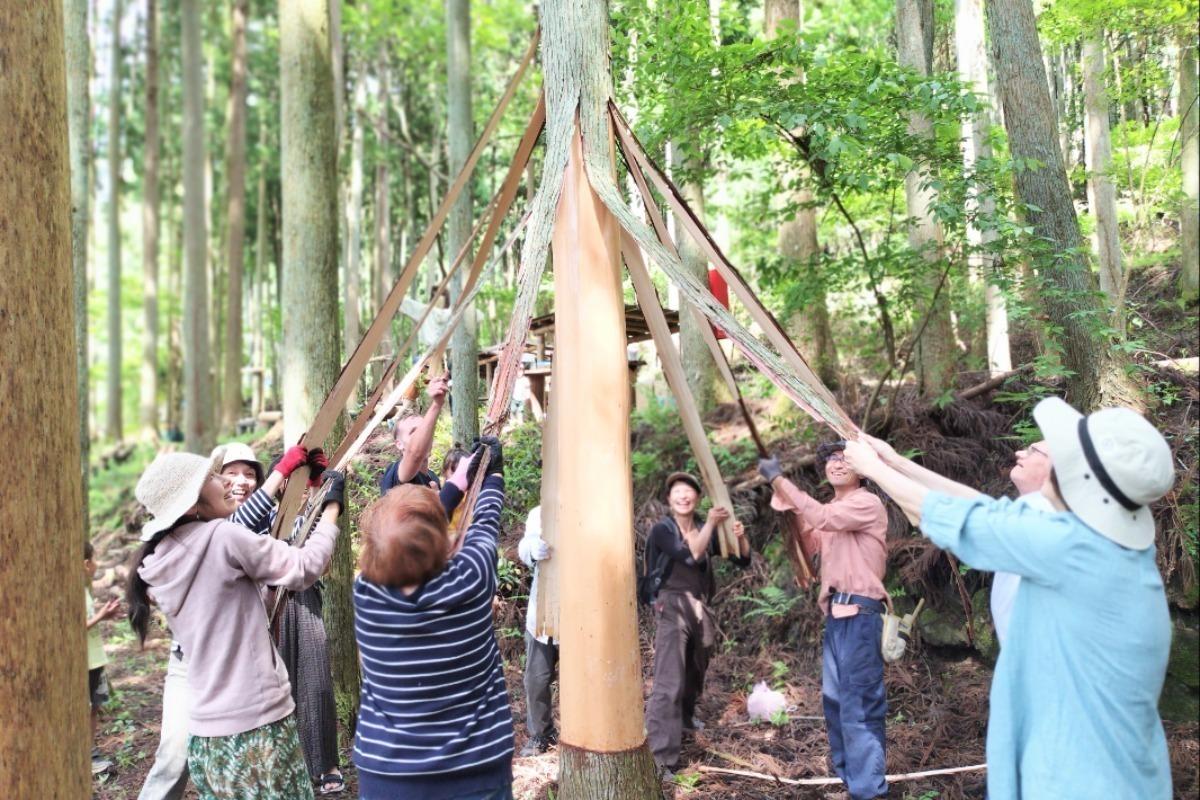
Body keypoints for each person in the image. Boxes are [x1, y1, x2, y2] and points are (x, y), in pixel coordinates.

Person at [842, 397, 1176, 799]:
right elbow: (986, 510)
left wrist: (873, 469)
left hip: (1082, 777)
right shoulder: (1097, 540)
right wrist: (894, 463)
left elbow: (949, 518)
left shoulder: (1071, 547)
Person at [127, 448, 343, 800]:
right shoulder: (223, 538)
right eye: (214, 477)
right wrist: (332, 506)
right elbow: (304, 568)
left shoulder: (157, 562)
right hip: (258, 732)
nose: (226, 481)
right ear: (191, 502)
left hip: (206, 742)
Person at [352, 437, 515, 800]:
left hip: (389, 773)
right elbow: (485, 523)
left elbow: (405, 539)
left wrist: (456, 485)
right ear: (439, 538)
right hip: (475, 767)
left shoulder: (366, 592)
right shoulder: (470, 578)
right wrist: (494, 477)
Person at [758, 443, 888, 800]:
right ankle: (853, 784)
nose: (837, 464)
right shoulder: (829, 509)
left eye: (845, 459)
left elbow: (822, 519)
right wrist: (783, 499)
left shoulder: (866, 504)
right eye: (830, 459)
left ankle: (869, 792)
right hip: (836, 617)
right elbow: (810, 539)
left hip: (861, 614)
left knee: (859, 708)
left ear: (862, 469)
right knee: (834, 704)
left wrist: (782, 482)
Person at [644, 472, 751, 777]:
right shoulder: (662, 530)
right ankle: (660, 757)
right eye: (677, 491)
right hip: (671, 604)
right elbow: (690, 553)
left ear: (698, 499)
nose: (683, 496)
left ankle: (686, 718)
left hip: (699, 604)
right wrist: (713, 525)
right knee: (669, 679)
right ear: (669, 499)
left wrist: (739, 535)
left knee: (697, 665)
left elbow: (741, 559)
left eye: (689, 491)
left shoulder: (704, 528)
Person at [516, 505, 557, 756]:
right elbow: (526, 544)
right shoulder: (540, 512)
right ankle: (542, 734)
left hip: (582, 614)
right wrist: (533, 549)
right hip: (543, 613)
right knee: (536, 680)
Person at [86, 541, 121, 774]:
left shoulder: (83, 590)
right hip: (85, 662)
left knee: (94, 708)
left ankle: (91, 753)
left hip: (95, 660)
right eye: (95, 559)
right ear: (86, 564)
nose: (97, 564)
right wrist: (101, 615)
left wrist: (103, 616)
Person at [380, 376, 449, 493]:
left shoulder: (433, 478)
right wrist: (437, 404)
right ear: (399, 444)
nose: (423, 436)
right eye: (413, 432)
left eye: (424, 431)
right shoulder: (395, 472)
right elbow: (415, 454)